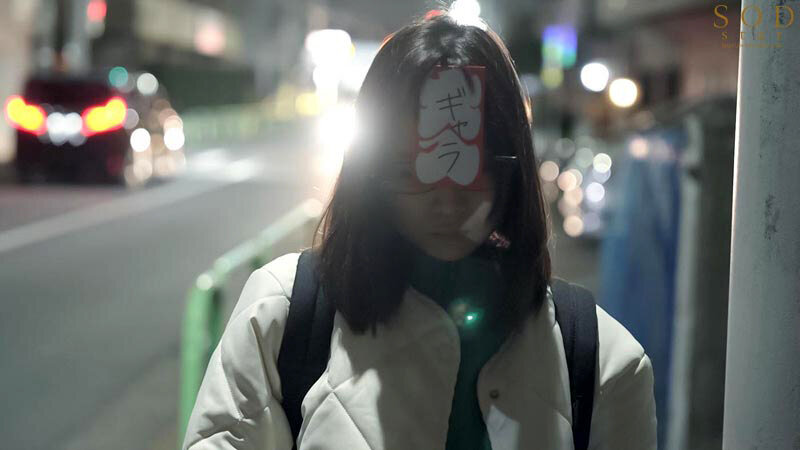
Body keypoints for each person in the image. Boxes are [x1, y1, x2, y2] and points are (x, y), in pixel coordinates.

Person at [182, 11, 657, 450]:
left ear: (513, 169)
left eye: (474, 168)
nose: (446, 199)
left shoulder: (600, 360)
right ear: (370, 170)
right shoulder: (282, 315)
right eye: (412, 169)